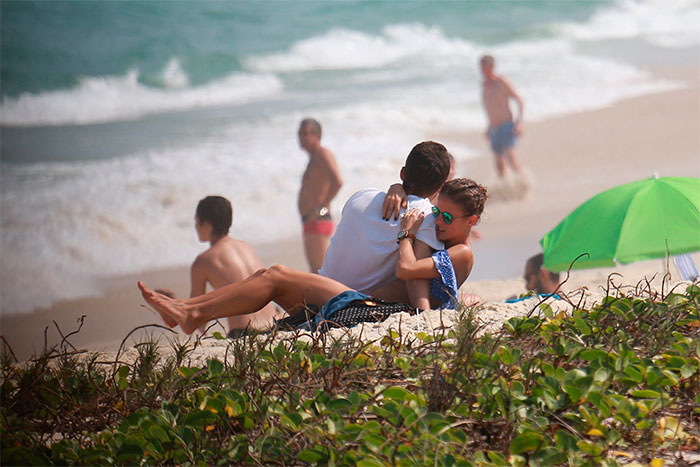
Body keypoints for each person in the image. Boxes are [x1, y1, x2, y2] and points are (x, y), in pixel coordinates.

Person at [137, 179, 488, 334]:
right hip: (360, 304)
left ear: (471, 221)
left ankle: (192, 312)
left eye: (445, 217)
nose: (437, 221)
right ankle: (189, 311)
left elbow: (410, 272)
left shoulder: (460, 252)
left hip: (368, 309)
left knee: (274, 275)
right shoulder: (441, 238)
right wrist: (398, 189)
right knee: (271, 278)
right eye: (436, 212)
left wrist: (407, 232)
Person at [318, 141, 451, 310]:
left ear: (402, 173)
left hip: (317, 291)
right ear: (441, 187)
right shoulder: (427, 216)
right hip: (351, 305)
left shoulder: (361, 196)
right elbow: (416, 274)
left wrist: (395, 187)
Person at [188, 196, 282, 334]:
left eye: (197, 220)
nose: (195, 225)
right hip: (276, 323)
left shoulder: (203, 261)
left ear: (207, 225)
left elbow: (195, 316)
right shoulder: (247, 247)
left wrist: (172, 303)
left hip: (245, 332)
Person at [297, 118, 343, 273]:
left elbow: (338, 181)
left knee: (319, 274)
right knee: (317, 272)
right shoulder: (314, 158)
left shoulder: (323, 154)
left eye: (306, 134)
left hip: (317, 220)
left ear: (318, 135)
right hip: (312, 220)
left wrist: (322, 208)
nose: (302, 138)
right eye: (300, 134)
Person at [480, 55, 526, 181]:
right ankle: (506, 189)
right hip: (494, 128)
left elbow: (520, 101)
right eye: (481, 67)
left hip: (506, 125)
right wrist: (488, 129)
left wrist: (519, 122)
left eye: (485, 67)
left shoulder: (502, 82)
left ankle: (524, 183)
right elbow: (490, 108)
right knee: (499, 165)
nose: (482, 70)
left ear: (492, 67)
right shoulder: (484, 85)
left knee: (511, 159)